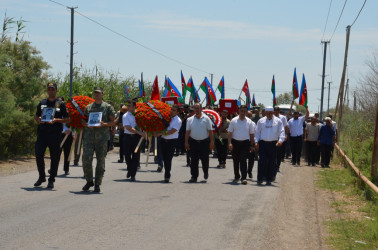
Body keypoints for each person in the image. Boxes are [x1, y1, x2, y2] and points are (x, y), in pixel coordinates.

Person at [34, 82, 69, 189]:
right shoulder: (42, 103)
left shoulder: (61, 104)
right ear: (47, 91)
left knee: (55, 157)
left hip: (55, 134)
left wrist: (56, 120)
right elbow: (36, 116)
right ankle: (42, 177)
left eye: (53, 89)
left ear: (56, 90)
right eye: (49, 89)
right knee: (38, 154)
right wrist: (38, 119)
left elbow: (68, 119)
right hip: (42, 133)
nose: (51, 91)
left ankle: (51, 179)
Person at [81, 87, 115, 192]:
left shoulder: (107, 107)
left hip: (102, 139)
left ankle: (97, 183)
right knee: (86, 159)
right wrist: (87, 124)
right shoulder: (88, 107)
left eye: (98, 93)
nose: (96, 95)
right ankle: (89, 180)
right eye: (95, 93)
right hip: (89, 138)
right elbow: (83, 120)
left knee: (100, 162)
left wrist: (104, 124)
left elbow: (113, 122)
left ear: (102, 94)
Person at [254, 106, 285, 185]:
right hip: (263, 143)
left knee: (271, 162)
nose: (269, 114)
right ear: (265, 113)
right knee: (262, 161)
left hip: (273, 144)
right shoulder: (261, 121)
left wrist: (281, 140)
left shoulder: (278, 121)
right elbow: (257, 133)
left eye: (270, 113)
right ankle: (260, 178)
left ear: (273, 112)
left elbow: (282, 132)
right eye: (267, 113)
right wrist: (256, 142)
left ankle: (269, 179)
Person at [185, 103, 214, 183]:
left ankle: (205, 171)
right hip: (193, 142)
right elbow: (187, 132)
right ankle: (194, 176)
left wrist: (212, 142)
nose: (196, 110)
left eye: (198, 108)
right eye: (195, 108)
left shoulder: (207, 119)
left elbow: (210, 131)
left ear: (201, 109)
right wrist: (186, 142)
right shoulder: (190, 119)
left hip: (204, 142)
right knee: (193, 161)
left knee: (205, 160)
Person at [228, 105, 255, 185]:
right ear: (239, 111)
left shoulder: (249, 122)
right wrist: (229, 143)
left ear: (246, 112)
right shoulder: (233, 120)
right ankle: (237, 176)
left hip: (245, 143)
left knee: (243, 160)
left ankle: (244, 177)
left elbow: (251, 134)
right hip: (235, 143)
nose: (243, 113)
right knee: (236, 160)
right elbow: (229, 133)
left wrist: (251, 145)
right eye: (241, 111)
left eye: (244, 111)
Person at [155, 104, 182, 182]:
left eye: (174, 110)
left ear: (177, 112)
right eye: (171, 109)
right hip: (163, 140)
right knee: (163, 157)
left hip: (172, 141)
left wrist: (160, 133)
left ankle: (167, 174)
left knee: (168, 159)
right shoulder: (166, 118)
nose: (172, 111)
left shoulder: (178, 120)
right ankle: (166, 171)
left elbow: (171, 131)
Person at [123, 99, 146, 181]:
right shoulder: (125, 116)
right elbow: (128, 128)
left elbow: (144, 123)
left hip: (137, 138)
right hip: (128, 137)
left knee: (136, 156)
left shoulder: (139, 115)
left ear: (134, 106)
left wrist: (145, 131)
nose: (128, 107)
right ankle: (129, 169)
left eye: (130, 106)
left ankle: (133, 174)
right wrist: (139, 132)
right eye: (127, 105)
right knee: (127, 156)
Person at [287, 101, 309, 166]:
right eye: (295, 114)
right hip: (292, 137)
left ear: (298, 115)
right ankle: (293, 161)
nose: (296, 115)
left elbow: (307, 115)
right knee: (293, 150)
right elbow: (287, 128)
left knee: (299, 149)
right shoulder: (290, 121)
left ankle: (298, 161)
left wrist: (307, 109)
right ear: (293, 114)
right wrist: (287, 135)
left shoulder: (301, 119)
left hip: (299, 137)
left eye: (297, 114)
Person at [57, 96, 74, 175]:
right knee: (56, 152)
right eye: (58, 101)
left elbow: (74, 123)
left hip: (68, 135)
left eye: (61, 101)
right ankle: (54, 169)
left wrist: (71, 132)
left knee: (67, 153)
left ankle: (66, 169)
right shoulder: (56, 112)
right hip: (59, 134)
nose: (60, 103)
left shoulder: (70, 112)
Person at [273, 106, 288, 175]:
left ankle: (277, 166)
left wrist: (285, 136)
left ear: (279, 111)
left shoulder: (283, 117)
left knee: (279, 153)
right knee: (273, 153)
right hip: (272, 137)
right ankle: (272, 166)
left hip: (280, 138)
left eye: (277, 111)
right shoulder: (271, 117)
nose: (275, 113)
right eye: (274, 111)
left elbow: (285, 127)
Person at [246, 111, 256, 178]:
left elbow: (255, 133)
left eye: (250, 115)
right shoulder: (243, 123)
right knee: (243, 158)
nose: (249, 117)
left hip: (251, 142)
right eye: (248, 115)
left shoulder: (253, 124)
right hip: (244, 142)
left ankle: (249, 171)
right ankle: (243, 172)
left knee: (251, 158)